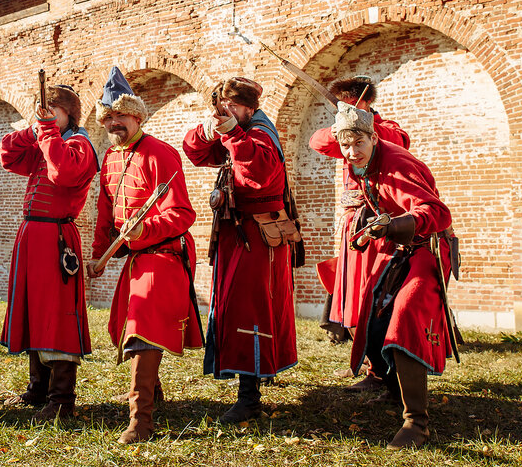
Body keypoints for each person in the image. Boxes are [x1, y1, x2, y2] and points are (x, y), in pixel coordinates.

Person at [87, 66, 202, 444]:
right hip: (135, 258)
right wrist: (98, 254)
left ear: (137, 116)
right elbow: (106, 213)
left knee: (141, 331)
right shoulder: (109, 159)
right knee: (129, 326)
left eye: (121, 115)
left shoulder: (160, 153)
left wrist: (144, 229)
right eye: (108, 116)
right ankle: (153, 389)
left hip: (164, 253)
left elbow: (182, 214)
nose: (114, 122)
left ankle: (141, 421)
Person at [330, 101, 454, 449]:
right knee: (375, 310)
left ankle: (417, 422)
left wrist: (398, 224)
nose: (351, 152)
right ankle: (385, 382)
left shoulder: (398, 163)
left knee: (406, 312)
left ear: (373, 137)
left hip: (427, 247)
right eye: (345, 145)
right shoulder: (360, 163)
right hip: (396, 249)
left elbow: (437, 213)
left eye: (359, 143)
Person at [181, 77, 298, 423]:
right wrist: (206, 131)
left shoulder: (260, 134)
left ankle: (250, 398)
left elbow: (258, 174)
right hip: (238, 235)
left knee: (251, 313)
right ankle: (257, 376)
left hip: (258, 237)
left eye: (233, 107)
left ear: (249, 107)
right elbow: (196, 152)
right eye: (222, 107)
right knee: (239, 308)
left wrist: (232, 133)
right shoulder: (241, 133)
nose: (227, 112)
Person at [0, 83, 98, 421]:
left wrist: (45, 132)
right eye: (44, 112)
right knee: (32, 311)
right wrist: (34, 129)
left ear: (69, 114)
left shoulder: (79, 144)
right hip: (31, 236)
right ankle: (37, 387)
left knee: (57, 316)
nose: (47, 119)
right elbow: (7, 155)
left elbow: (62, 172)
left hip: (57, 237)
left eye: (53, 112)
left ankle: (61, 399)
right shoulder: (47, 138)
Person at [308, 76, 409, 389]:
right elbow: (318, 141)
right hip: (353, 223)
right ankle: (365, 363)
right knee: (353, 297)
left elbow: (399, 140)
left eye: (350, 103)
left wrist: (366, 122)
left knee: (371, 295)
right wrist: (346, 121)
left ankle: (378, 371)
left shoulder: (383, 128)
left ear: (364, 101)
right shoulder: (345, 134)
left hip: (377, 222)